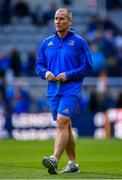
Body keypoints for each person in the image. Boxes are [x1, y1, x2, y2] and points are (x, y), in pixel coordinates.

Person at [35, 8, 93, 174]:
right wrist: (45, 73)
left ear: (70, 22)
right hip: (53, 89)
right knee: (65, 125)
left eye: (62, 18)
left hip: (71, 88)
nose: (58, 21)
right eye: (56, 18)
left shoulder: (79, 42)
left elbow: (88, 66)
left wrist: (69, 75)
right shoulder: (47, 43)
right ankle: (73, 163)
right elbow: (38, 65)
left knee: (61, 122)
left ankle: (54, 159)